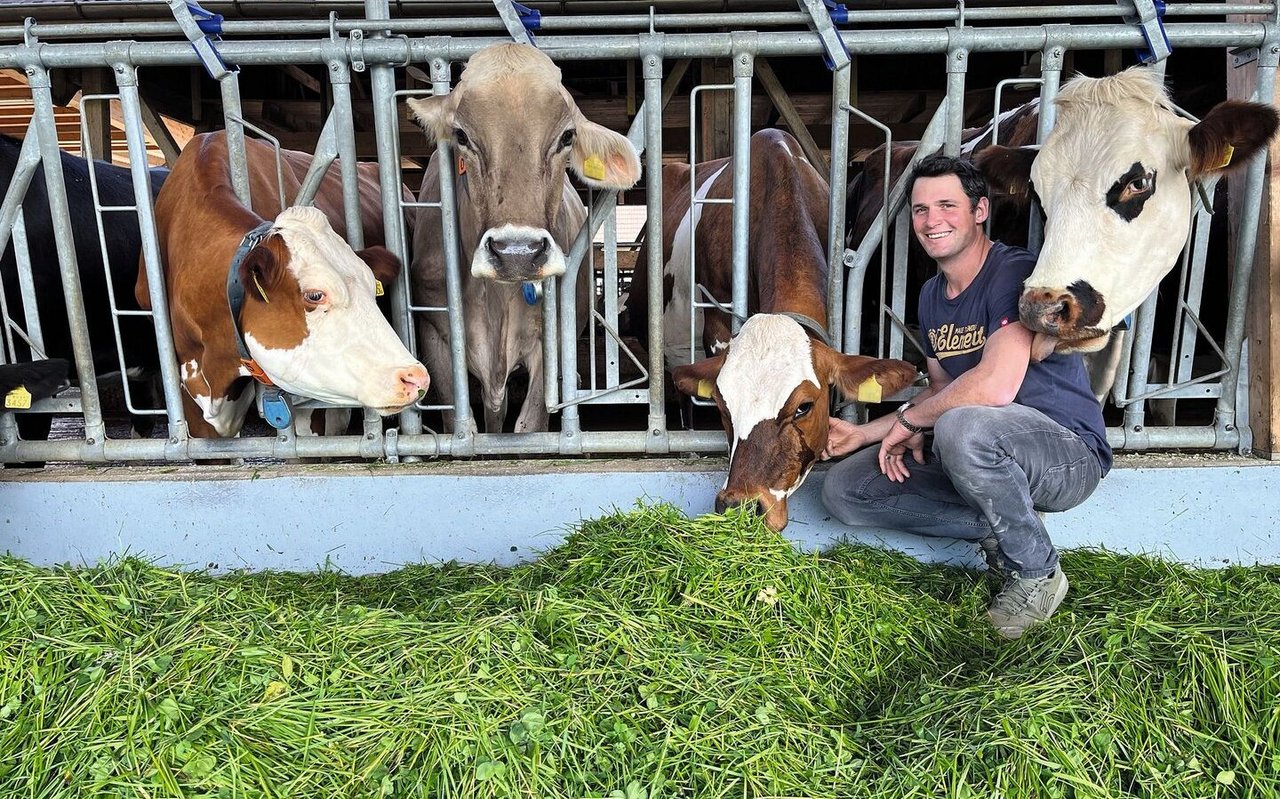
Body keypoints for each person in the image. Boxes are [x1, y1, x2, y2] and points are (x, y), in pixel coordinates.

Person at [820, 153, 1111, 640]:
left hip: (1067, 455)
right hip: (984, 451)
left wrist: (912, 424)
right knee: (847, 488)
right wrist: (862, 434)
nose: (932, 221)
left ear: (980, 212)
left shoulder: (1015, 273)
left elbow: (993, 386)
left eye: (947, 206)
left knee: (962, 425)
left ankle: (1036, 573)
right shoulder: (932, 297)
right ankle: (1005, 522)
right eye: (920, 210)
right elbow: (940, 391)